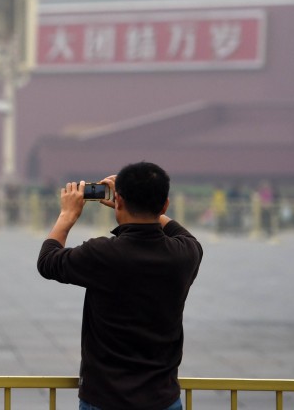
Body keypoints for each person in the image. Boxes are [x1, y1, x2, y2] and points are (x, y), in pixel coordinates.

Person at [37, 162, 203, 410]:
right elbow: (183, 234)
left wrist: (67, 215)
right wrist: (139, 205)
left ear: (120, 201)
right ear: (165, 205)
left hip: (105, 398)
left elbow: (48, 261)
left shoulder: (102, 253)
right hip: (163, 399)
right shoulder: (185, 254)